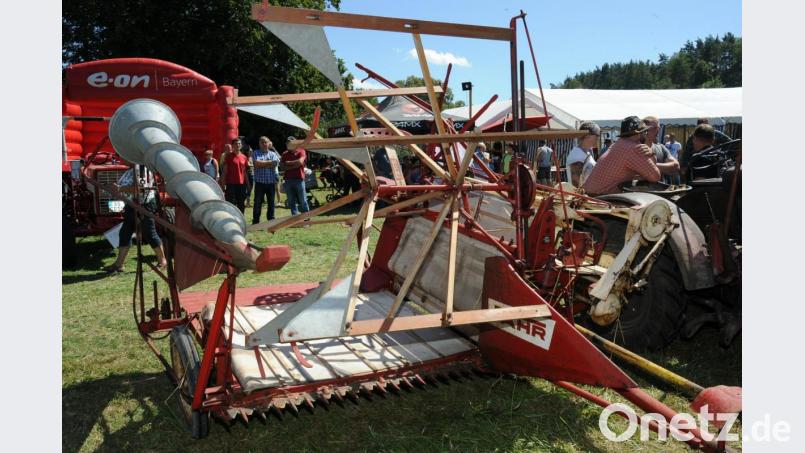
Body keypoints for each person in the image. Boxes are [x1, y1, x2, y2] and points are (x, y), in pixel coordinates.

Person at [105, 163, 167, 273]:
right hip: (132, 204)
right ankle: (119, 264)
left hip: (144, 205)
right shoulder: (131, 169)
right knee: (125, 233)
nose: (121, 159)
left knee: (149, 233)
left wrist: (119, 188)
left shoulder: (142, 168)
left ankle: (163, 261)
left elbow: (141, 188)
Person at [583, 116, 661, 196]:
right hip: (600, 200)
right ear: (639, 133)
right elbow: (655, 177)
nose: (645, 135)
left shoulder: (616, 144)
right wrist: (652, 153)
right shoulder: (634, 149)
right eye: (644, 132)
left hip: (588, 195)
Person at [251, 136, 281, 224]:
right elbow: (256, 164)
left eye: (266, 142)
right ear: (259, 144)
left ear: (269, 143)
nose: (264, 144)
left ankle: (271, 220)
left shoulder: (273, 154)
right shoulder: (255, 153)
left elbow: (275, 163)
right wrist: (269, 163)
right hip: (260, 183)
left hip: (271, 183)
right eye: (262, 142)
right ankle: (256, 221)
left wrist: (263, 164)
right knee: (257, 203)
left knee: (271, 203)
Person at [642, 116, 680, 182]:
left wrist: (650, 166)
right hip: (641, 190)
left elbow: (676, 166)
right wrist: (664, 168)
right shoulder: (636, 148)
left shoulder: (661, 147)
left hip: (659, 190)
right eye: (654, 128)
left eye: (658, 128)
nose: (657, 131)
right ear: (644, 130)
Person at [565, 121, 601, 188]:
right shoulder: (577, 156)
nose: (598, 138)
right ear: (587, 135)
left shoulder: (586, 152)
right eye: (597, 135)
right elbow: (576, 184)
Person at [281, 136, 310, 215]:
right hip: (288, 180)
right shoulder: (284, 154)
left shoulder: (301, 151)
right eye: (287, 142)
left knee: (303, 200)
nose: (288, 144)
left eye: (290, 142)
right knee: (291, 201)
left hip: (299, 179)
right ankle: (295, 218)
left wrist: (288, 163)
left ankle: (306, 218)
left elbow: (300, 162)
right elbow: (282, 167)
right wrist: (295, 164)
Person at [219, 139, 249, 213]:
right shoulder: (228, 157)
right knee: (231, 204)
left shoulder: (244, 157)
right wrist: (222, 184)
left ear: (241, 145)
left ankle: (241, 221)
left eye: (239, 143)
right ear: (232, 146)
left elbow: (245, 172)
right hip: (231, 184)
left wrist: (248, 184)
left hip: (241, 184)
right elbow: (224, 172)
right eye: (236, 144)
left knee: (241, 204)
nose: (238, 145)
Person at [243, 142, 254, 207]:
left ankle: (248, 202)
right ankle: (244, 201)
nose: (251, 152)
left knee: (250, 189)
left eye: (251, 151)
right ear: (247, 152)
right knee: (246, 188)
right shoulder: (245, 158)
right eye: (250, 151)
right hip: (246, 175)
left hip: (252, 175)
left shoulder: (253, 158)